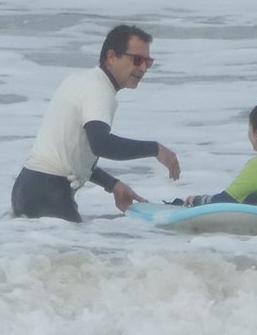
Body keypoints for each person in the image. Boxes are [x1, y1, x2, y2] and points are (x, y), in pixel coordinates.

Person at [11, 25, 180, 222]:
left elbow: (71, 155)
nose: (143, 68)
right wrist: (156, 149)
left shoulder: (79, 80)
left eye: (148, 62)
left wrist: (112, 184)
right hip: (48, 194)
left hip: (26, 190)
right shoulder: (99, 90)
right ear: (111, 57)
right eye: (137, 60)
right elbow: (101, 144)